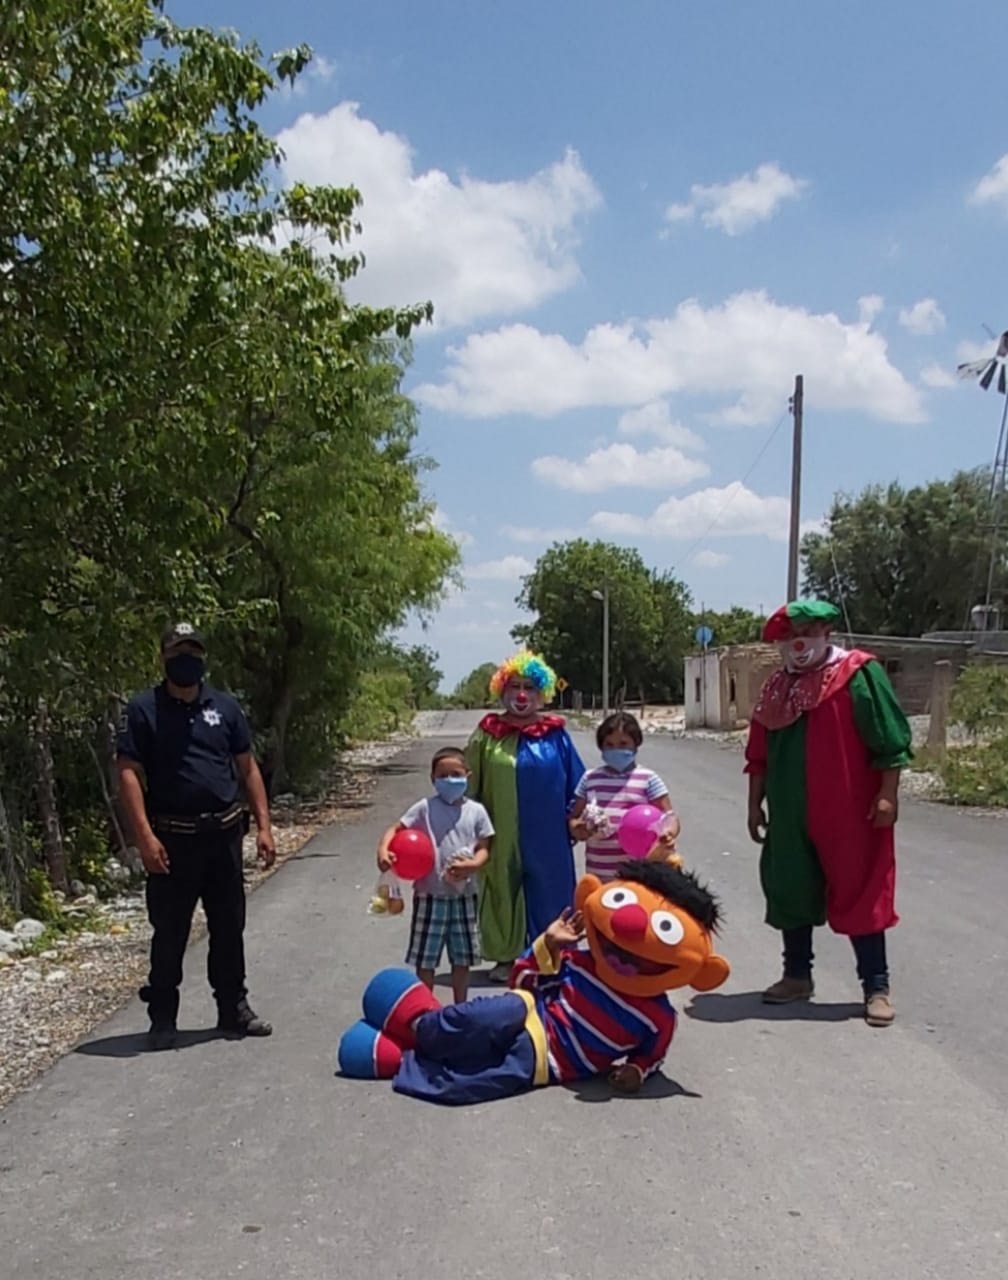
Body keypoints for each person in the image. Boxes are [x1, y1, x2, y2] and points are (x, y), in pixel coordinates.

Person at [336, 859, 730, 1105]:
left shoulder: (658, 1017)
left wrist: (638, 1071)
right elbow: (522, 980)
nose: (631, 929)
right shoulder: (582, 962)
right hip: (529, 1014)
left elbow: (653, 1054)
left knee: (475, 1085)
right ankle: (417, 1023)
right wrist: (548, 943)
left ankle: (399, 1059)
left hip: (548, 1063)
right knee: (484, 1016)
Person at [744, 599, 913, 1027]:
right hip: (789, 812)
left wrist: (887, 795)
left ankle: (876, 986)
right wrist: (754, 803)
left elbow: (889, 742)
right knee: (791, 887)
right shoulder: (776, 687)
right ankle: (797, 975)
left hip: (850, 810)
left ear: (825, 632)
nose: (797, 643)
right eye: (787, 636)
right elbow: (759, 754)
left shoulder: (858, 675)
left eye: (806, 632)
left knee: (861, 888)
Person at [117, 623, 276, 1050]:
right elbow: (129, 773)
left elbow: (247, 767)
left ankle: (233, 1010)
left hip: (223, 834)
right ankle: (163, 1018)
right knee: (170, 931)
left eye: (194, 651)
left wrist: (263, 826)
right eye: (178, 651)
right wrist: (144, 838)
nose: (187, 658)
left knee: (229, 927)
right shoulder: (143, 709)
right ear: (164, 657)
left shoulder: (224, 707)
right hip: (172, 840)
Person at [465, 650, 585, 982]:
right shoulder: (487, 733)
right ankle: (507, 957)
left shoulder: (556, 733)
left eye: (530, 687)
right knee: (502, 889)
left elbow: (578, 783)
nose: (521, 695)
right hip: (499, 830)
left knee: (552, 889)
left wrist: (576, 820)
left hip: (549, 832)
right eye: (514, 686)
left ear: (542, 693)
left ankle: (555, 953)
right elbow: (468, 782)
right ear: (500, 691)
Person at [377, 746, 494, 1004]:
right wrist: (383, 849)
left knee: (462, 958)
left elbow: (485, 848)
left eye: (456, 774)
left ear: (468, 775)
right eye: (443, 775)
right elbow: (395, 828)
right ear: (433, 779)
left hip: (465, 896)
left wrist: (473, 865)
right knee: (425, 958)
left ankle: (460, 1006)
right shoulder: (424, 809)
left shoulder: (476, 811)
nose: (450, 780)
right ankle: (425, 1007)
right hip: (430, 895)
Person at [569, 711, 681, 880]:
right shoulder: (589, 779)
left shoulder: (648, 779)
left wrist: (669, 833)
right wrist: (578, 828)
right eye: (609, 745)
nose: (616, 750)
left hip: (639, 873)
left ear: (636, 744)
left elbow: (670, 817)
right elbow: (574, 817)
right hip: (599, 872)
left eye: (623, 744)